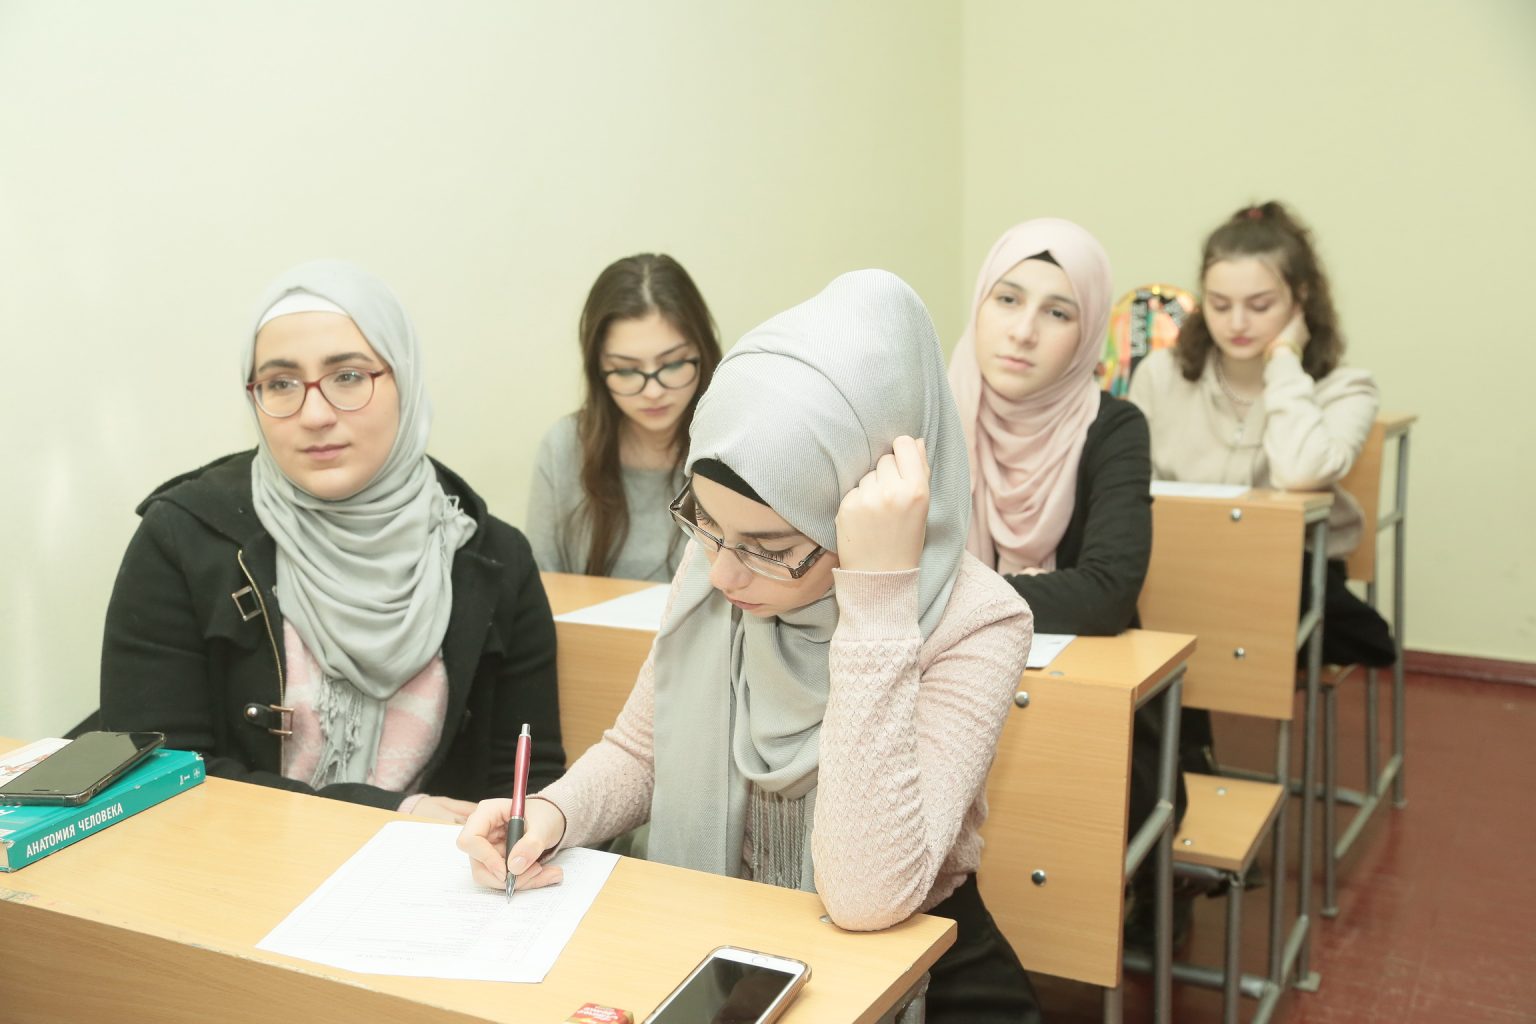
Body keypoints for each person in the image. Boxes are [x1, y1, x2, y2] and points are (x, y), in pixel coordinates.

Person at [461, 270, 1042, 1022]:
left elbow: (867, 895)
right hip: (729, 939)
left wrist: (876, 597)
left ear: (866, 504)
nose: (724, 573)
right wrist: (552, 813)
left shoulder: (979, 620)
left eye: (772, 548)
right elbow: (642, 751)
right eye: (704, 524)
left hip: (914, 962)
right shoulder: (723, 555)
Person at [100, 260, 564, 819]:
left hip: (435, 869)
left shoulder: (491, 559)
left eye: (348, 376)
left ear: (405, 380)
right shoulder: (184, 539)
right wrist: (389, 815)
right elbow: (156, 775)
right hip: (227, 865)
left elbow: (527, 782)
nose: (315, 414)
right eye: (280, 384)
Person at [949, 217, 1186, 946]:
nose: (1023, 331)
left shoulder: (1115, 427)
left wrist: (947, 592)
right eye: (1007, 300)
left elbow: (1106, 593)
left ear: (1087, 336)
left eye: (1058, 313)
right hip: (950, 691)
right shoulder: (932, 414)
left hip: (1090, 708)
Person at [1128, 200, 1392, 772]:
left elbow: (1301, 470)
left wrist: (1286, 361)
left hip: (1290, 574)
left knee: (1180, 617)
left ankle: (1183, 773)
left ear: (1301, 301)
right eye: (1220, 305)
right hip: (1179, 568)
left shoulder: (1344, 388)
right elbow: (1128, 487)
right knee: (1158, 606)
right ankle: (1180, 773)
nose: (1237, 323)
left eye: (1261, 305)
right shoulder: (1161, 375)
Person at [527, 254, 722, 580]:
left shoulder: (736, 446)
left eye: (674, 364)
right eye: (626, 370)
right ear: (598, 370)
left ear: (703, 353)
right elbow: (542, 585)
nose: (653, 391)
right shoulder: (565, 446)